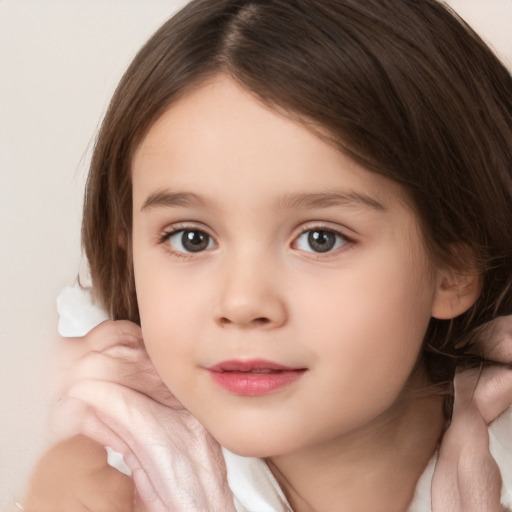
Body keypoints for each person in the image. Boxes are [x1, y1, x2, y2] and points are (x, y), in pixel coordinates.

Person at [22, 0, 512, 510]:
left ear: (455, 269)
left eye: (321, 238)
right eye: (191, 238)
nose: (242, 302)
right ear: (130, 254)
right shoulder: (82, 484)